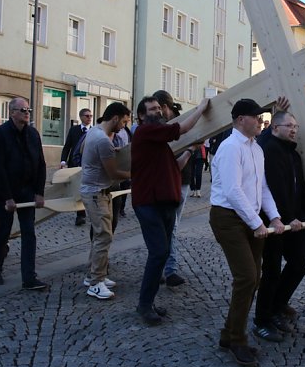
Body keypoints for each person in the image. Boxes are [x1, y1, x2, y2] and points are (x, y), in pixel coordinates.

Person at [210, 98, 285, 367]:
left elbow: (261, 187)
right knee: (247, 277)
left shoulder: (256, 148)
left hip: (248, 217)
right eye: (256, 117)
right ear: (241, 119)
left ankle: (228, 334)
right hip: (227, 218)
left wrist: (273, 216)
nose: (261, 121)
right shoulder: (230, 147)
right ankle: (237, 341)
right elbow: (232, 190)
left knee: (253, 279)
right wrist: (256, 223)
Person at [131, 93, 209, 326]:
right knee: (158, 253)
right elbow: (182, 128)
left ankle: (149, 302)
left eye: (159, 108)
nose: (158, 112)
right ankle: (144, 305)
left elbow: (175, 167)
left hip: (163, 203)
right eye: (152, 110)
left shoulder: (158, 142)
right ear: (142, 116)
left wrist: (190, 151)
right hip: (148, 203)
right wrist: (201, 108)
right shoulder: (145, 132)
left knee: (161, 253)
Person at [253, 111, 305, 342]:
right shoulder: (268, 150)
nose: (293, 129)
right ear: (275, 128)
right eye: (288, 125)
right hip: (274, 221)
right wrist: (286, 217)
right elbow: (274, 189)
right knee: (271, 270)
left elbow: (300, 188)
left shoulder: (294, 154)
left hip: (295, 221)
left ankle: (277, 305)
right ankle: (262, 320)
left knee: (300, 263)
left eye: (295, 126)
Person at [0, 98, 47, 290]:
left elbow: (41, 164)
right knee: (4, 230)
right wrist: (7, 197)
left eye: (28, 109)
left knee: (29, 231)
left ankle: (29, 277)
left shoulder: (33, 134)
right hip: (6, 189)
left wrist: (39, 192)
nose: (27, 112)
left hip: (27, 189)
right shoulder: (1, 134)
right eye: (22, 110)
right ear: (12, 112)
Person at [80, 102, 131, 300]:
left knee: (101, 235)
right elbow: (114, 173)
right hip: (96, 192)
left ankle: (93, 274)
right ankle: (96, 283)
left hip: (95, 191)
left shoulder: (94, 131)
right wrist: (135, 173)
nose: (124, 126)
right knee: (103, 236)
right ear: (116, 118)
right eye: (124, 121)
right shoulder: (103, 140)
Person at [152, 89, 190, 288]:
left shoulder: (182, 124)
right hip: (164, 182)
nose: (157, 113)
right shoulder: (161, 126)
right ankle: (163, 269)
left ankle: (168, 270)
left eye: (159, 108)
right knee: (164, 228)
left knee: (172, 227)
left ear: (165, 107)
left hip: (180, 181)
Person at [60, 107, 93, 226]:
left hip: (89, 165)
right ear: (81, 117)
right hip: (75, 165)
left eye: (91, 116)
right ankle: (80, 215)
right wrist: (63, 161)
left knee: (87, 190)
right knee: (78, 190)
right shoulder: (74, 130)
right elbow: (67, 146)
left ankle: (89, 211)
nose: (89, 118)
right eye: (87, 116)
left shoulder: (94, 131)